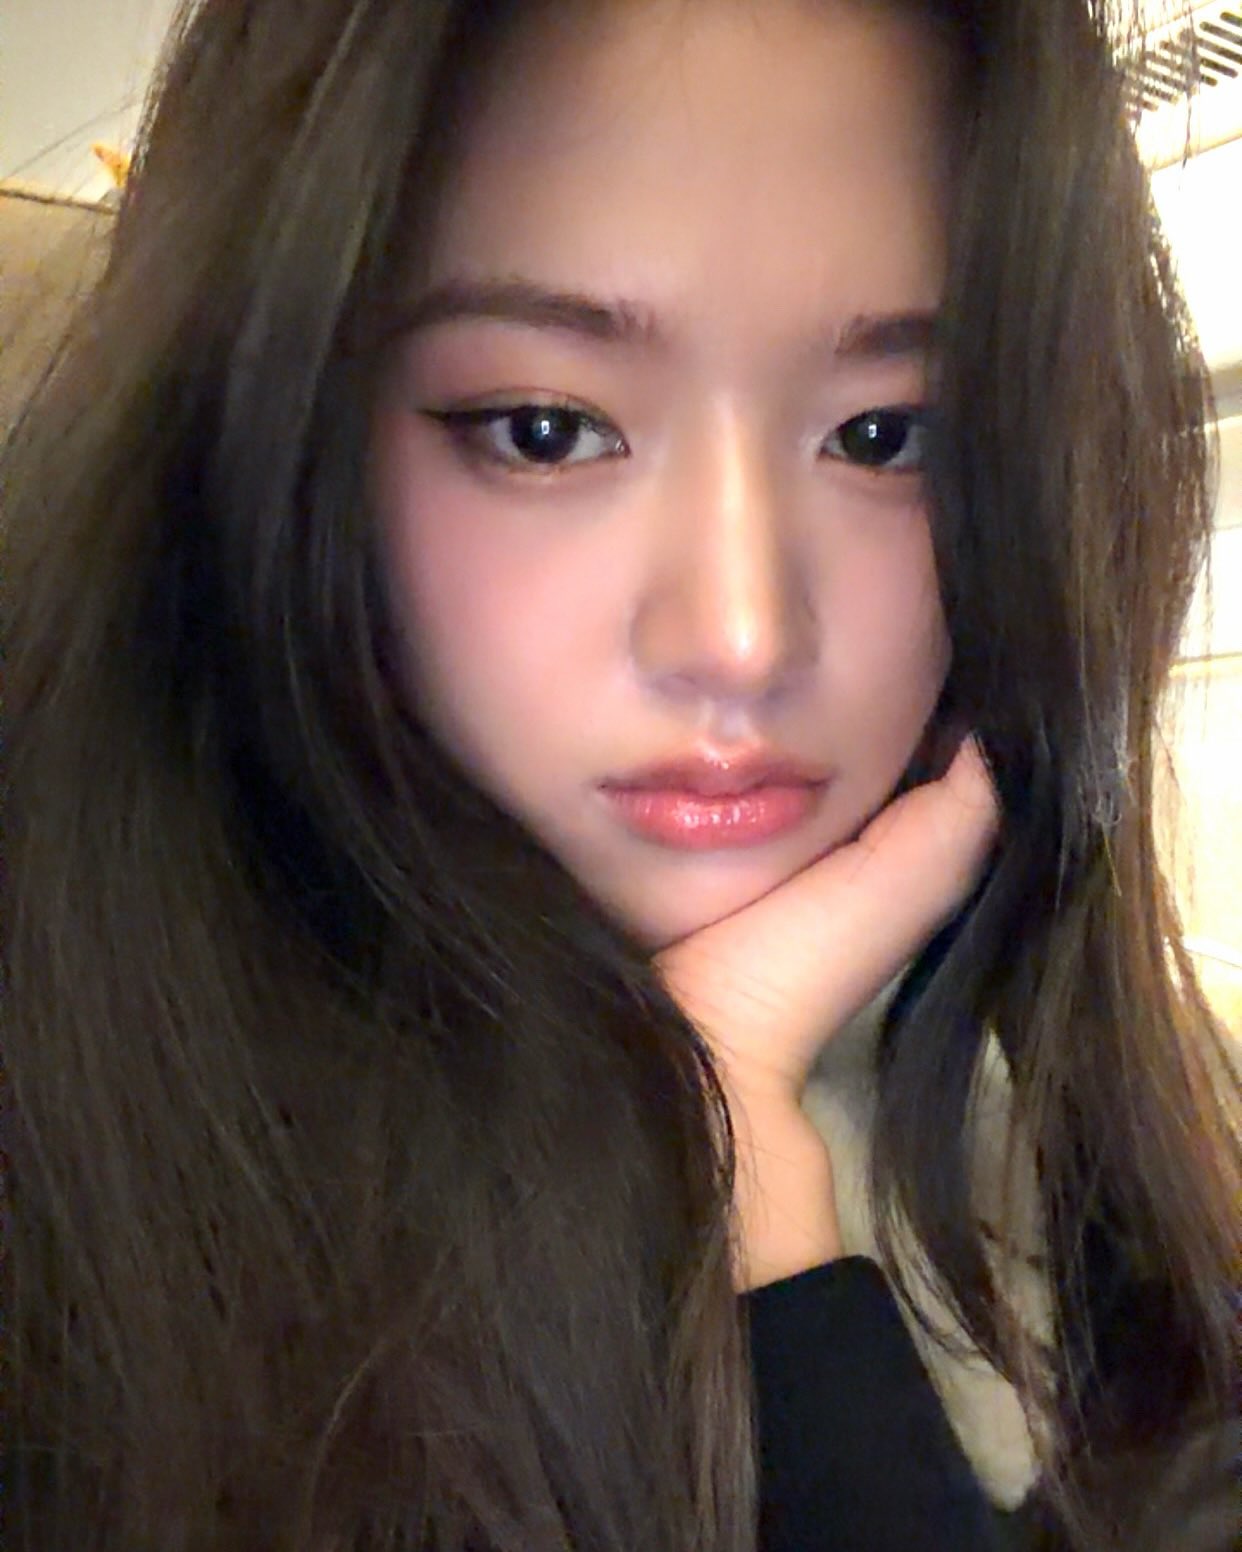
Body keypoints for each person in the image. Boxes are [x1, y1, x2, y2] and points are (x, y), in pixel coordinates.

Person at [4, 0, 1238, 1548]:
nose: (738, 636)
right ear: (268, 447)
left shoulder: (1122, 1157)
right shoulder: (74, 1206)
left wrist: (745, 1167)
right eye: (542, 431)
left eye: (884, 437)